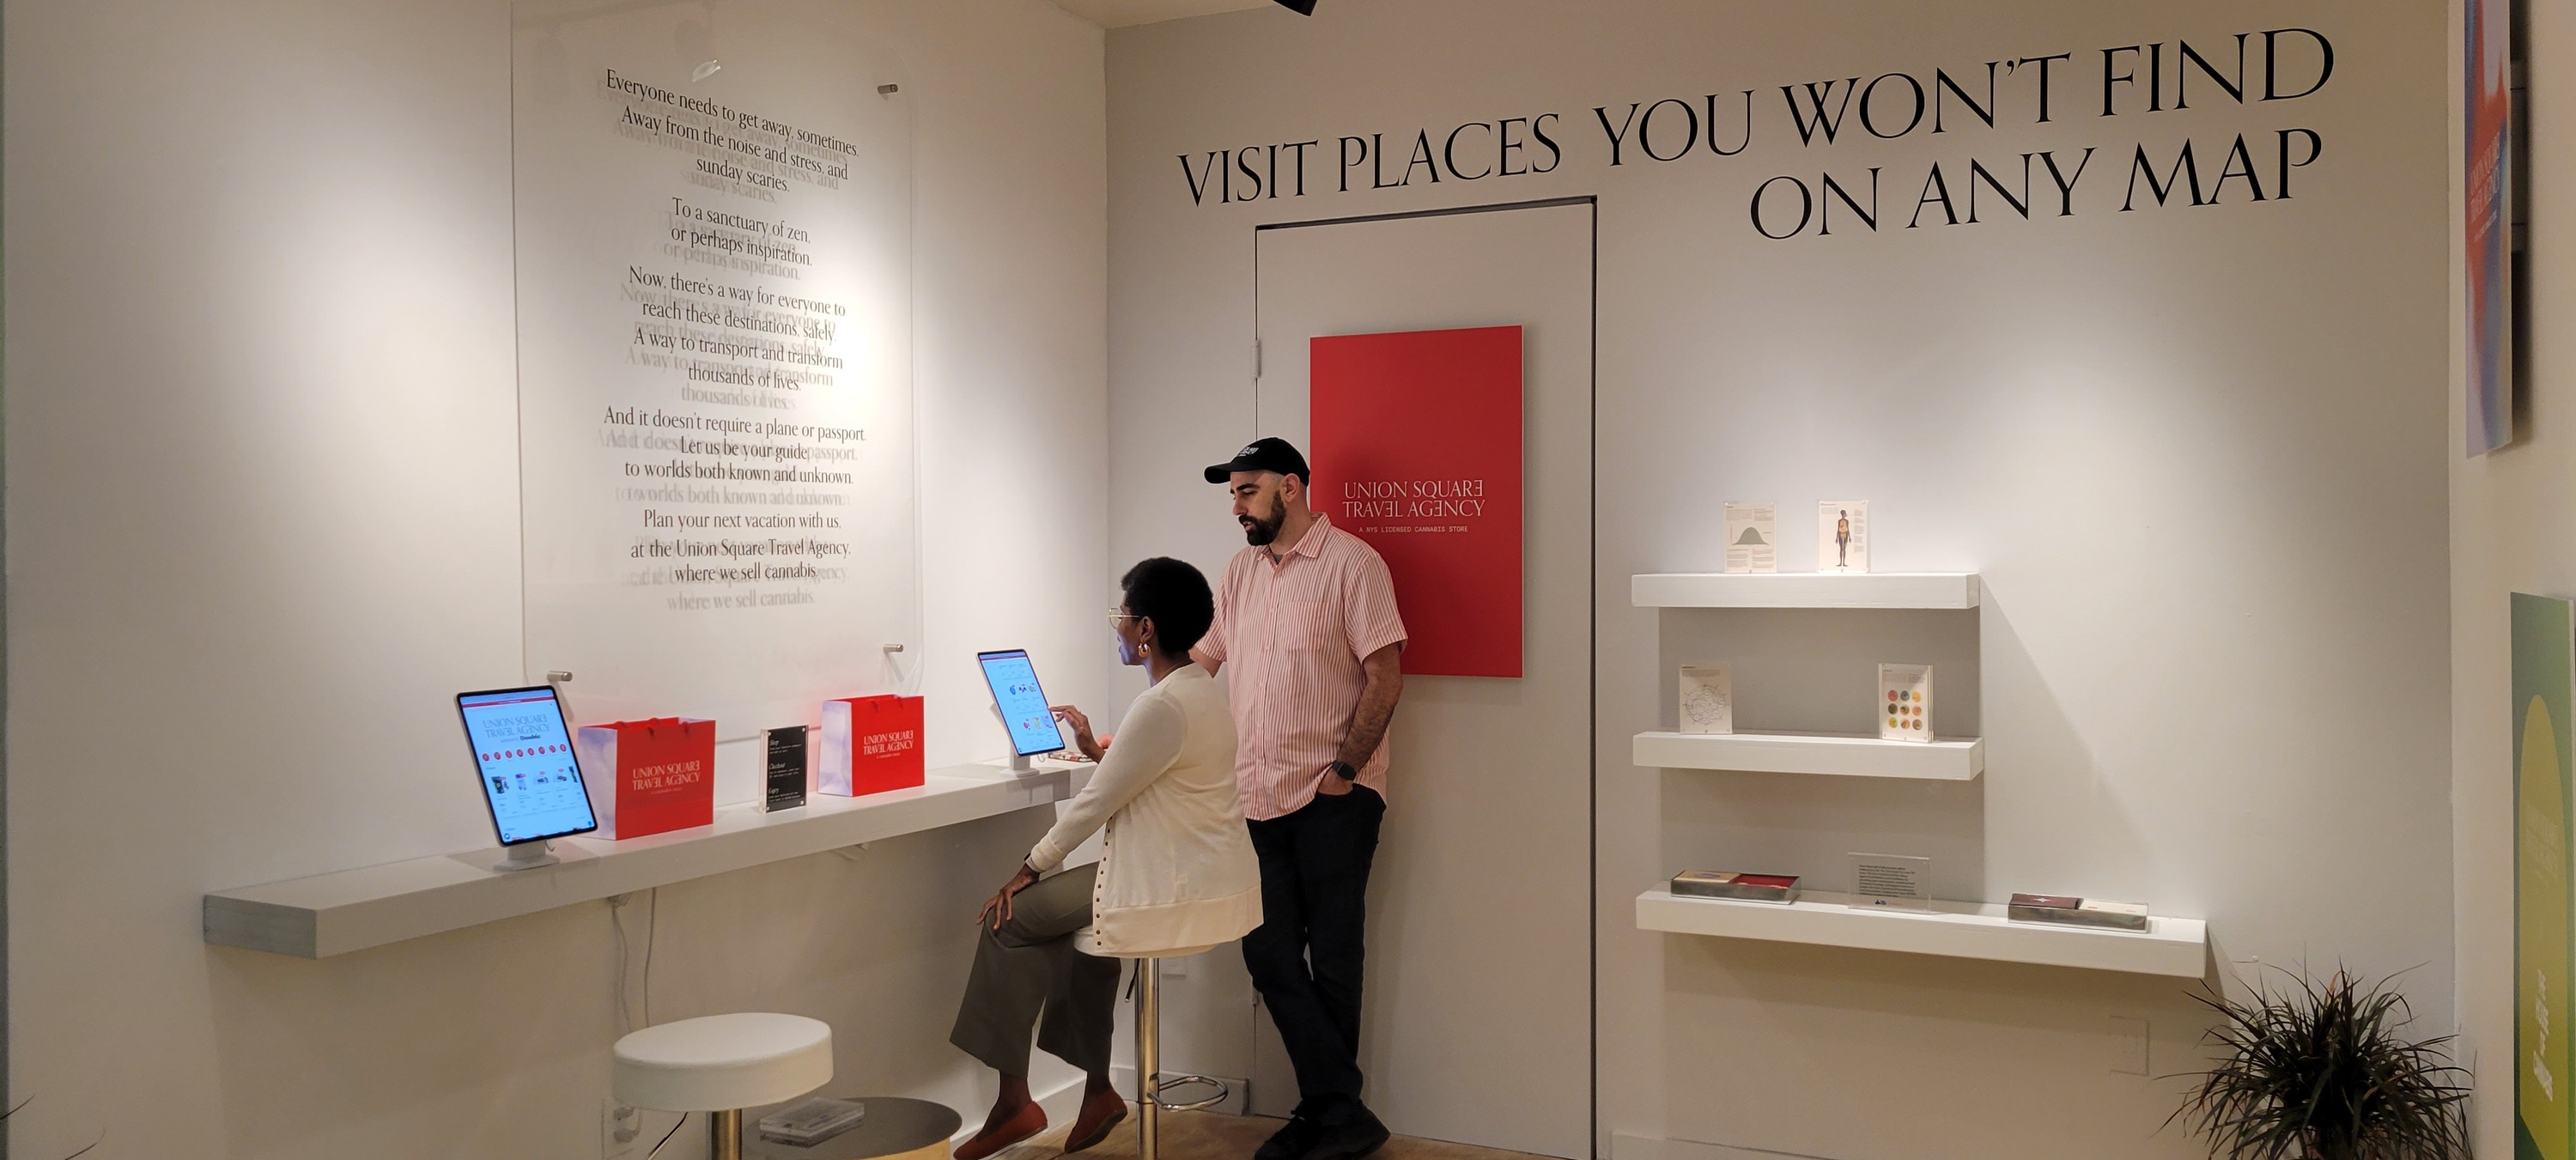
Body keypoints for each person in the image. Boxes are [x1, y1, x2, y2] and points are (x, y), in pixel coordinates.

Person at [949, 558, 1261, 1160]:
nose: (1116, 627)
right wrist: (1097, 749)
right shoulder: (1200, 690)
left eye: (1121, 616)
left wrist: (1028, 866)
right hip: (1203, 876)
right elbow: (1142, 777)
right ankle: (1096, 1089)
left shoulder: (1161, 705)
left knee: (1009, 918)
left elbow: (1093, 805)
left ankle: (1015, 1100)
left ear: (1145, 628)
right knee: (1077, 921)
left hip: (1166, 884)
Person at [1193, 438, 1406, 1160]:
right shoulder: (1239, 572)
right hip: (1253, 795)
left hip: (1334, 795)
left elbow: (1385, 674)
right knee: (1269, 955)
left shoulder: (1354, 563)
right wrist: (1139, 652)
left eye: (1246, 492)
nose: (1236, 507)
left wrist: (1345, 768)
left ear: (1290, 486)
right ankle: (1339, 1110)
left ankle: (1325, 1114)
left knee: (1336, 959)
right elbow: (1201, 665)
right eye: (1231, 494)